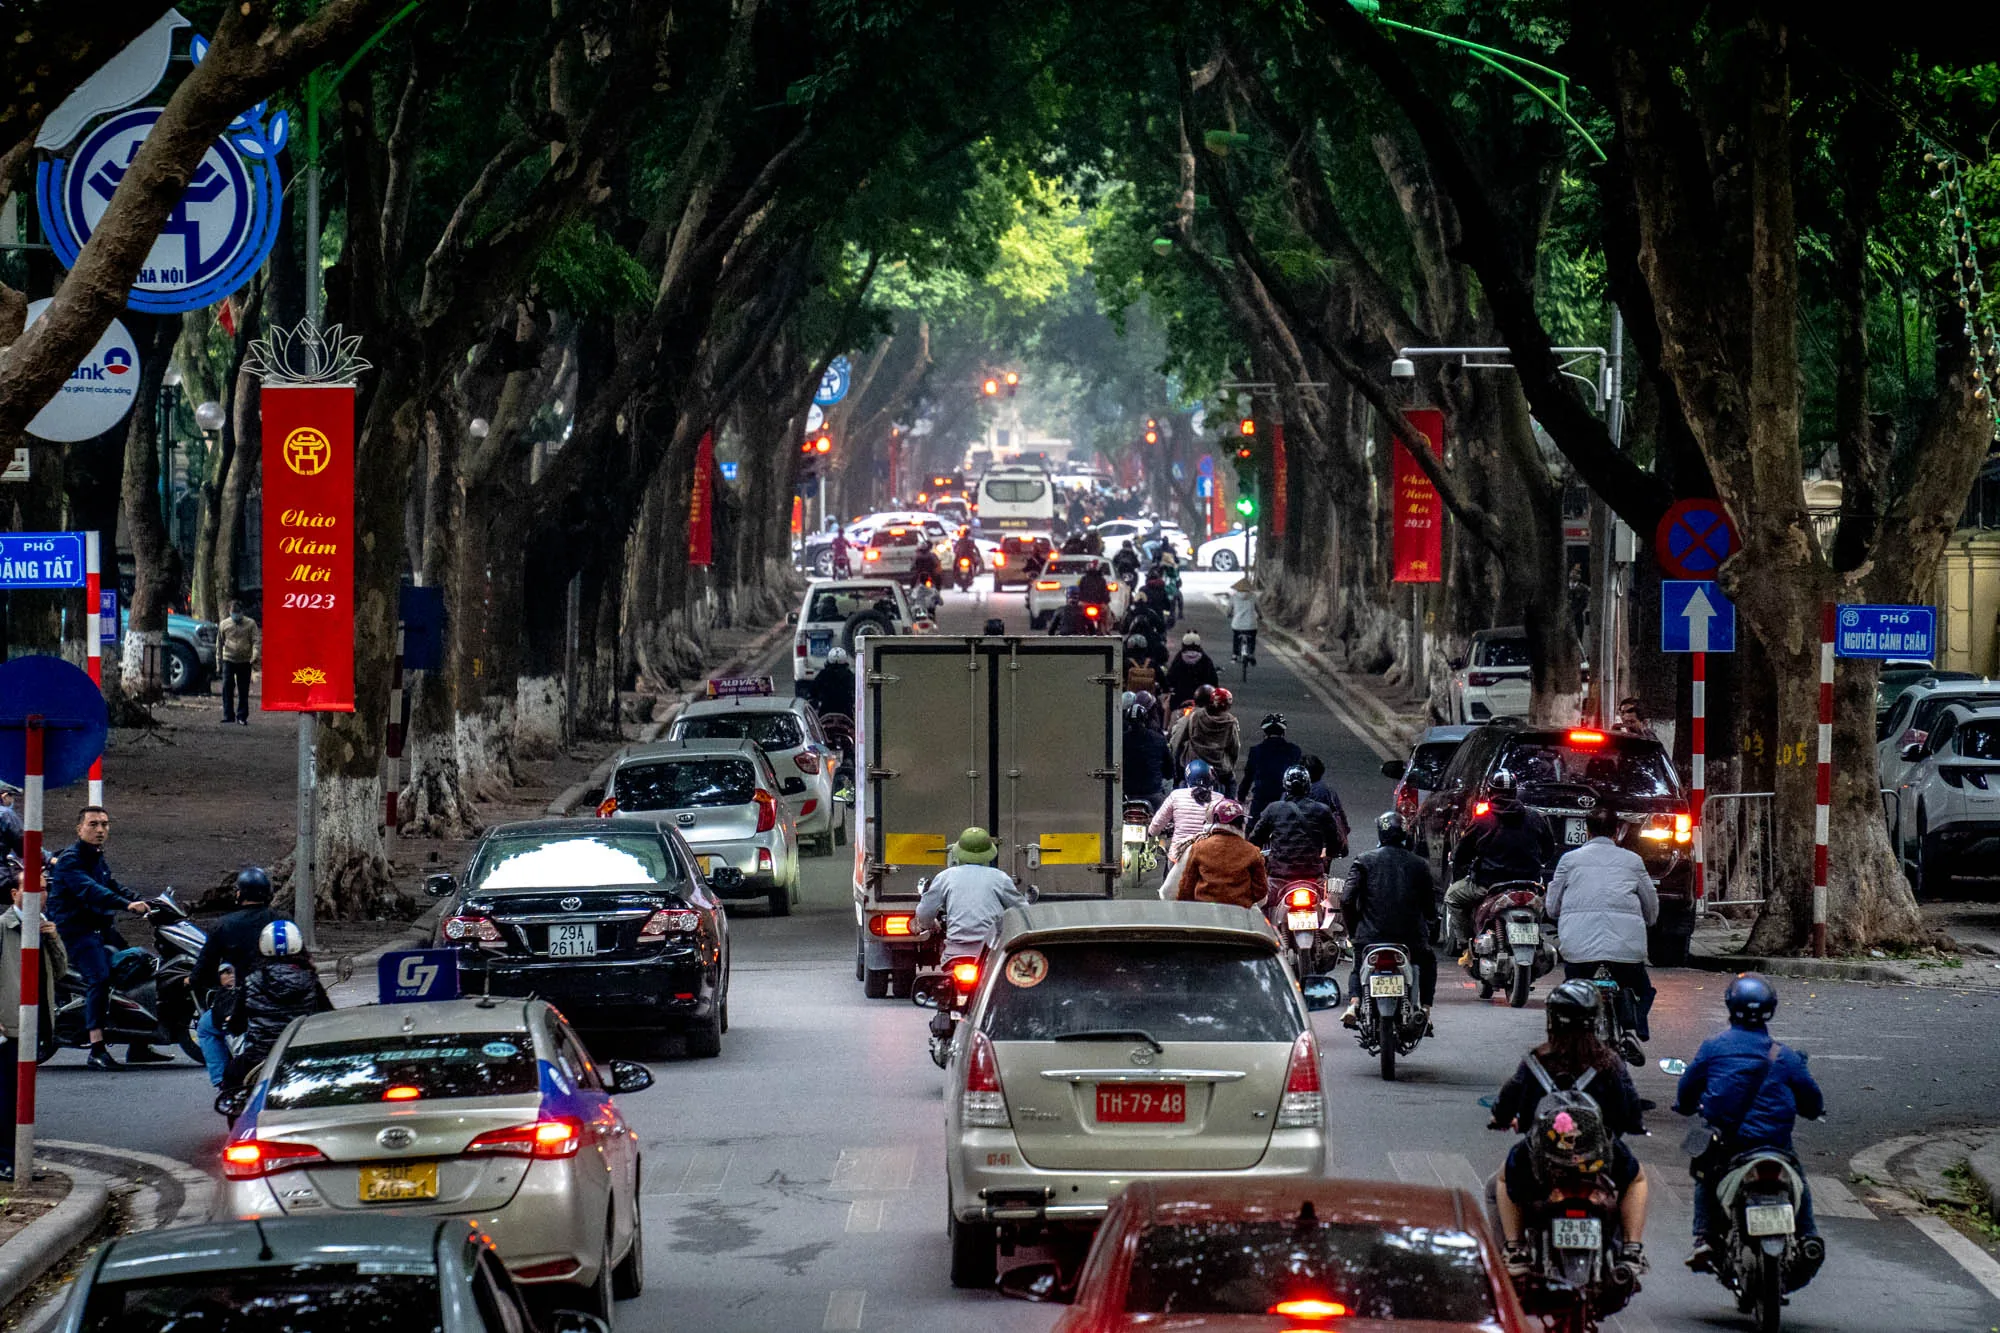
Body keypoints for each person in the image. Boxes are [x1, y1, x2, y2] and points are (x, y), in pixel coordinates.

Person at [1488, 981, 1651, 1275]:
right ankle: (1632, 1250)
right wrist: (1629, 1126)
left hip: (1542, 1162)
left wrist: (1503, 1120)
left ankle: (1514, 1250)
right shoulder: (1610, 1063)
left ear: (1552, 1019)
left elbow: (1509, 1104)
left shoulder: (1536, 1062)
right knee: (1636, 1179)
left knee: (1500, 1181)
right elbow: (1629, 1111)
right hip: (1599, 1159)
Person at [1675, 974, 1825, 1274]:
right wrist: (1810, 1111)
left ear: (1730, 1006)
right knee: (1798, 1176)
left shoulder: (1713, 1048)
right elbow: (1812, 1100)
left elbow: (1687, 1090)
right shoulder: (1785, 1056)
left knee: (1705, 1175)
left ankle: (1704, 1237)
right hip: (1775, 1144)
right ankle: (1808, 1235)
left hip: (1731, 1144)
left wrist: (1687, 1106)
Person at [46, 807, 154, 1070]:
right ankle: (96, 1047)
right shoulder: (71, 860)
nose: (100, 830)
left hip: (99, 929)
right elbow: (92, 891)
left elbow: (111, 884)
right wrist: (126, 905)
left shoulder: (96, 857)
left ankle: (139, 1044)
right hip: (75, 932)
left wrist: (143, 900)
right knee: (100, 978)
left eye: (104, 824)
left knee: (138, 969)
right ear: (79, 828)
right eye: (93, 824)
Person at [1546, 805, 1659, 1058]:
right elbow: (1651, 906)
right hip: (1626, 951)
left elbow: (1552, 906)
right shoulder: (1633, 861)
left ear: (1586, 831)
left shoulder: (1569, 860)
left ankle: (1569, 1044)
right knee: (1641, 989)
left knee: (1572, 989)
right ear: (1618, 831)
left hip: (1579, 951)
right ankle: (1632, 1030)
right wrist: (1649, 921)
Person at [1339, 812, 1437, 1026]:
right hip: (1411, 939)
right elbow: (1430, 905)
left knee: (1358, 964)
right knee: (1428, 961)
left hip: (1370, 937)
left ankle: (1354, 1004)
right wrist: (1430, 922)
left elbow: (1346, 899)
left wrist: (1355, 930)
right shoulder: (1419, 864)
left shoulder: (1364, 860)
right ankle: (1425, 1009)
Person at [190, 868, 281, 1088]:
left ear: (239, 894)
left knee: (205, 1026)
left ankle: (223, 1084)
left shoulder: (224, 925)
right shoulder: (281, 920)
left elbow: (204, 968)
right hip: (283, 999)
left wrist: (195, 980)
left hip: (244, 1002)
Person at [0, 876, 66, 1177]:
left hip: (36, 1024)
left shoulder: (42, 926)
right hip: (10, 1027)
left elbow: (60, 971)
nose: (40, 894)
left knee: (22, 1098)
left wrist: (53, 937)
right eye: (32, 888)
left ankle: (19, 1161)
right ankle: (6, 1161)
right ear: (15, 893)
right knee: (7, 1096)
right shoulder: (4, 927)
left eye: (43, 889)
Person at [1446, 771, 1554, 950]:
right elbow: (1549, 850)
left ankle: (1465, 946)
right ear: (1515, 792)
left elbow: (1461, 854)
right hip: (1530, 885)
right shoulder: (1534, 817)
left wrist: (1462, 873)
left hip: (1488, 885)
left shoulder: (1482, 820)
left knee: (1452, 897)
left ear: (1490, 792)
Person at [223, 920, 333, 1090]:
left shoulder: (251, 980)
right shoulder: (310, 979)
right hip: (300, 1055)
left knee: (230, 1080)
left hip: (258, 1059)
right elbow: (328, 1016)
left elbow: (237, 1025)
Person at [913, 828, 1031, 959]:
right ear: (989, 853)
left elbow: (924, 912)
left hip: (956, 953)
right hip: (990, 952)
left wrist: (930, 925)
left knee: (948, 977)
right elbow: (1022, 911)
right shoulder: (1000, 878)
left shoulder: (945, 877)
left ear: (959, 852)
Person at [1250, 766, 1346, 897]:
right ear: (1308, 786)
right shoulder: (1322, 810)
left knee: (1260, 906)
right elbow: (1335, 843)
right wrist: (1327, 854)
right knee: (1331, 904)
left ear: (1285, 786)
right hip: (1313, 876)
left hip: (1279, 877)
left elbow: (1255, 841)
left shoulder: (1273, 809)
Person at [1175, 799, 1267, 909]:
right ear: (1242, 823)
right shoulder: (1252, 851)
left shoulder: (1198, 848)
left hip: (1205, 912)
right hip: (1239, 915)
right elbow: (1261, 891)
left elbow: (1186, 887)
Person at [1169, 686, 1240, 793]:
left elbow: (1176, 740)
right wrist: (1230, 766)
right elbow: (1235, 748)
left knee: (1178, 784)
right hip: (1219, 769)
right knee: (1231, 783)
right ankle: (1229, 805)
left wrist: (1174, 763)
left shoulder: (1194, 716)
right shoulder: (1231, 722)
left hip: (1192, 765)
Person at [1148, 760, 1220, 863]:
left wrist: (1151, 833)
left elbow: (1159, 821)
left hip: (1178, 855)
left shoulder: (1176, 795)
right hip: (1208, 856)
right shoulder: (1219, 799)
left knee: (1169, 878)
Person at [1241, 713, 1305, 818]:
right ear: (1283, 732)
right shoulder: (1294, 750)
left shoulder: (1256, 750)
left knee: (1253, 828)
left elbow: (1248, 776)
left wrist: (1241, 796)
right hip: (1286, 798)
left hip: (1262, 798)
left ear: (1265, 732)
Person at [216, 600, 260, 726]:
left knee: (243, 689)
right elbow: (219, 643)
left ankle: (242, 716)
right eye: (233, 612)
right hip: (228, 659)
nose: (236, 615)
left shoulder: (250, 624)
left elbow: (256, 640)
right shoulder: (224, 624)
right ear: (229, 612)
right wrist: (218, 662)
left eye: (237, 612)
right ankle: (228, 715)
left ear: (242, 612)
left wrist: (255, 655)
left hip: (245, 660)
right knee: (227, 687)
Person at [1123, 703, 1172, 807]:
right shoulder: (1159, 738)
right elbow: (1169, 769)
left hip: (1127, 794)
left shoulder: (1121, 740)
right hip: (1153, 792)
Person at [1302, 755, 1351, 848]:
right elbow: (1339, 812)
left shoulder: (1291, 791)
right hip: (1322, 841)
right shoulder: (1328, 790)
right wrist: (1345, 829)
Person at [1163, 631, 1219, 708]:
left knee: (1168, 709)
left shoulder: (1179, 658)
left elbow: (1170, 677)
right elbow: (1213, 680)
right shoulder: (1205, 659)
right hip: (1201, 697)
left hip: (1180, 697)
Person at [803, 647, 857, 719]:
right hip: (847, 714)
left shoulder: (823, 675)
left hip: (825, 714)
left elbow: (812, 691)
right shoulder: (849, 675)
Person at [1227, 577, 1260, 665]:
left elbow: (1229, 609)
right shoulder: (1253, 597)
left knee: (1236, 638)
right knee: (1252, 639)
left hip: (1237, 624)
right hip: (1251, 624)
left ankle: (1234, 655)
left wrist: (1229, 614)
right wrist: (1260, 616)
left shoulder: (1233, 597)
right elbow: (1258, 609)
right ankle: (1251, 655)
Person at [0, 786, 20, 859]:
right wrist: (47, 858)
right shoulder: (5, 813)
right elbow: (21, 840)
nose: (12, 801)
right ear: (4, 796)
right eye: (11, 797)